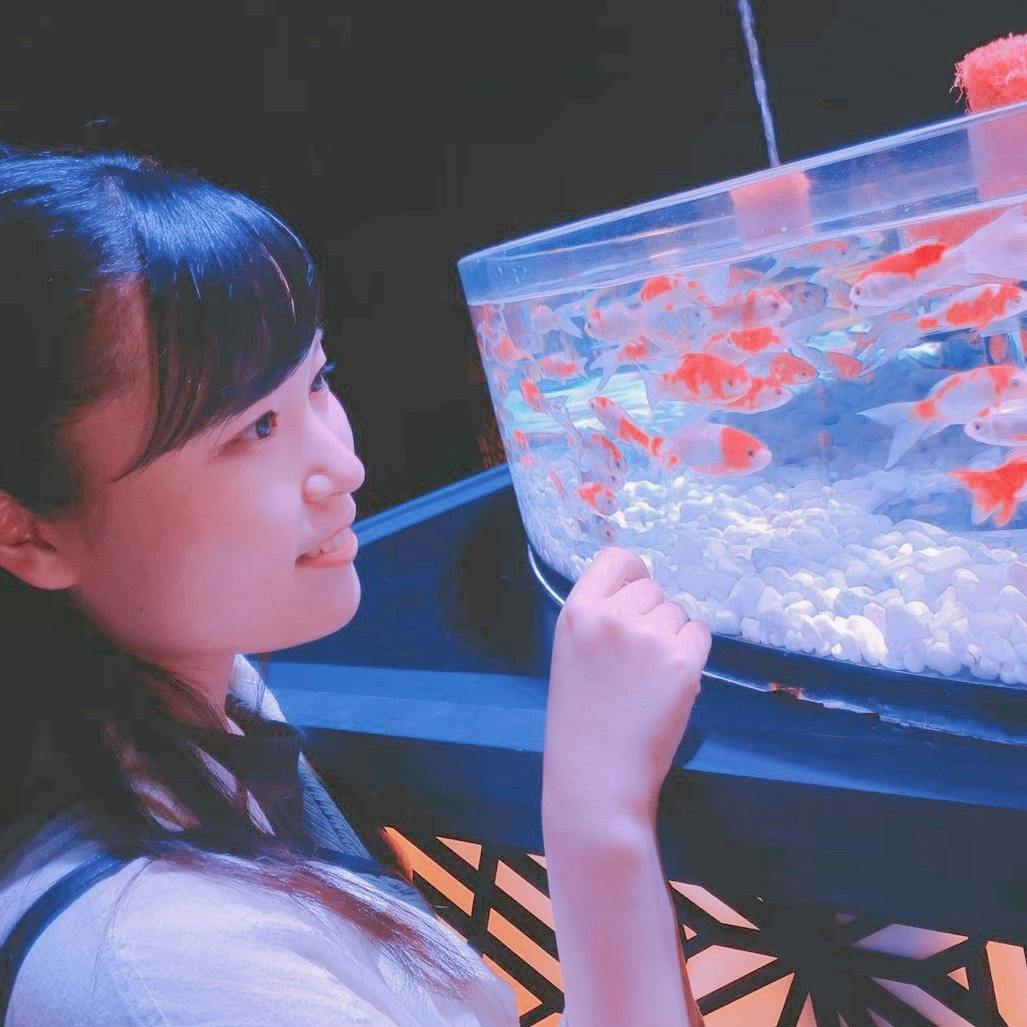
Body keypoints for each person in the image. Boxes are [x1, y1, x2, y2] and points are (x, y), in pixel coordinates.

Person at [0, 144, 711, 1025]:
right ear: (25, 530)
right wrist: (595, 811)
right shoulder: (159, 974)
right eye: (255, 428)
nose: (343, 465)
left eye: (317, 382)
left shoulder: (204, 702)